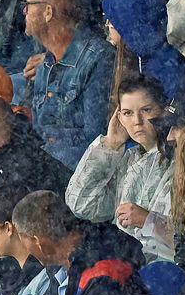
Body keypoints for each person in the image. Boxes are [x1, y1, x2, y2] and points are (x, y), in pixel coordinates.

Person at [67, 77, 177, 262]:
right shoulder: (127, 159)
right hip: (124, 265)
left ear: (164, 111)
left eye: (146, 110)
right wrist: (111, 144)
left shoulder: (179, 160)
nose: (137, 121)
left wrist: (148, 220)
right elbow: (82, 205)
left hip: (165, 268)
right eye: (127, 113)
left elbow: (184, 238)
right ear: (118, 118)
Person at [13, 0, 111, 169]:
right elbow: (41, 128)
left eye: (29, 5)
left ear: (48, 12)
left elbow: (96, 137)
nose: (24, 11)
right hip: (45, 165)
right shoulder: (46, 62)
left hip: (76, 170)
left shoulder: (99, 59)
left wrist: (44, 138)